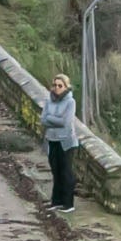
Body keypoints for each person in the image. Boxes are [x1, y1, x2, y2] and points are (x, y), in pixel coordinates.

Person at [41, 73, 79, 214]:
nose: (57, 88)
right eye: (55, 85)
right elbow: (43, 119)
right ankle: (56, 201)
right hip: (51, 140)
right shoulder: (49, 101)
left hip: (66, 141)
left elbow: (66, 122)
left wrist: (51, 119)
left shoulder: (70, 102)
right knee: (55, 171)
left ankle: (68, 203)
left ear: (66, 87)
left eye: (60, 86)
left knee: (66, 172)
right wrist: (54, 119)